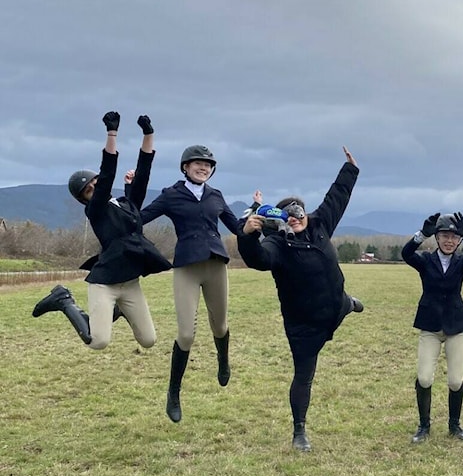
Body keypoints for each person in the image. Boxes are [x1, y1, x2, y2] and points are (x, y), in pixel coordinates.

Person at [237, 147, 364, 452]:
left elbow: (337, 198)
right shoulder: (276, 244)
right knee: (304, 376)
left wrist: (350, 169)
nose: (294, 217)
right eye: (287, 214)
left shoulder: (320, 224)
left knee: (343, 302)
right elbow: (258, 260)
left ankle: (348, 303)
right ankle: (299, 432)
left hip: (333, 303)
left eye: (298, 210)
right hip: (303, 321)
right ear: (278, 222)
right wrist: (247, 235)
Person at [32, 112, 170, 350]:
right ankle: (64, 300)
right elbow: (107, 174)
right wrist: (112, 134)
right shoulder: (95, 211)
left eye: (95, 184)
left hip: (130, 283)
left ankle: (116, 310)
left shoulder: (128, 204)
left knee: (148, 340)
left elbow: (144, 170)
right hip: (105, 284)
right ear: (84, 199)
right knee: (98, 341)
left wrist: (148, 134)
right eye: (89, 190)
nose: (95, 189)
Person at [140, 143, 243, 422]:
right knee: (186, 334)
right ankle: (174, 393)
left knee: (220, 325)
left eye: (208, 165)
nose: (203, 168)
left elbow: (238, 229)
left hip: (216, 266)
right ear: (185, 167)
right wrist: (128, 193)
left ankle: (223, 360)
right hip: (187, 267)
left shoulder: (216, 196)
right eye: (198, 163)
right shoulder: (171, 195)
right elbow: (139, 218)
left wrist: (258, 219)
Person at [402, 212, 463, 443]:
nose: (449, 240)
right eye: (444, 235)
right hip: (430, 325)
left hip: (456, 326)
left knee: (455, 381)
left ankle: (455, 425)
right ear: (437, 238)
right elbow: (406, 253)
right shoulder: (426, 261)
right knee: (425, 378)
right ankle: (423, 426)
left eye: (454, 237)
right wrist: (421, 234)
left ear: (458, 241)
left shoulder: (461, 263)